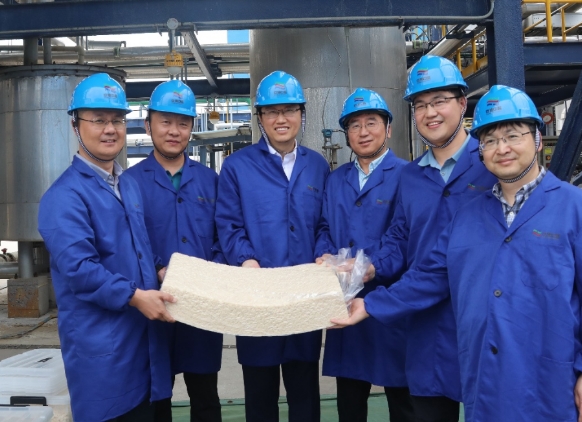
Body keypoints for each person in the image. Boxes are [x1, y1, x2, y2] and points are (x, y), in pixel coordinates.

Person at [332, 85, 582, 422]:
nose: (502, 148)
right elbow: (431, 275)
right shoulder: (469, 215)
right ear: (481, 151)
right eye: (490, 141)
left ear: (537, 139)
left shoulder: (577, 210)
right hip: (485, 373)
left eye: (513, 136)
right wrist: (370, 304)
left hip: (549, 377)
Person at [361, 55, 496, 421]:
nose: (430, 113)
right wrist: (368, 268)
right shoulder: (411, 177)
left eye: (439, 101)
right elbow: (399, 239)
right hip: (426, 328)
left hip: (485, 323)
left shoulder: (492, 166)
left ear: (462, 103)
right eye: (420, 105)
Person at [38, 73, 174, 421]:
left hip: (142, 343)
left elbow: (139, 246)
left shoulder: (127, 185)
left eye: (117, 120)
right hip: (103, 348)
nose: (110, 129)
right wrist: (136, 296)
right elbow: (80, 270)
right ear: (75, 125)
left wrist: (159, 269)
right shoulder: (64, 197)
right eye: (98, 120)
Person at [215, 70, 330, 422]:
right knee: (260, 397)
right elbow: (228, 225)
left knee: (305, 396)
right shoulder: (237, 167)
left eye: (290, 110)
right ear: (260, 117)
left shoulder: (317, 165)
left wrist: (323, 254)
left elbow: (324, 224)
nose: (281, 119)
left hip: (303, 297)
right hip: (257, 297)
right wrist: (246, 260)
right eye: (272, 111)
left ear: (301, 114)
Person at [125, 80, 223, 422]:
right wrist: (158, 269)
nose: (174, 131)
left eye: (183, 123)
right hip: (153, 305)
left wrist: (207, 273)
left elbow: (223, 237)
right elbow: (129, 241)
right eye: (165, 121)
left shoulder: (211, 181)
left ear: (191, 128)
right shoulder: (130, 183)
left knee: (206, 397)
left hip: (201, 305)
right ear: (148, 124)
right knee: (157, 398)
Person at [314, 88, 414, 422]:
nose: (363, 131)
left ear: (388, 128)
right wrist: (324, 257)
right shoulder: (336, 180)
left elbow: (404, 238)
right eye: (354, 125)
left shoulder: (408, 176)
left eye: (372, 122)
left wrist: (371, 267)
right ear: (347, 135)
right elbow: (323, 227)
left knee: (402, 399)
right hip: (344, 300)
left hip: (390, 301)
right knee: (350, 400)